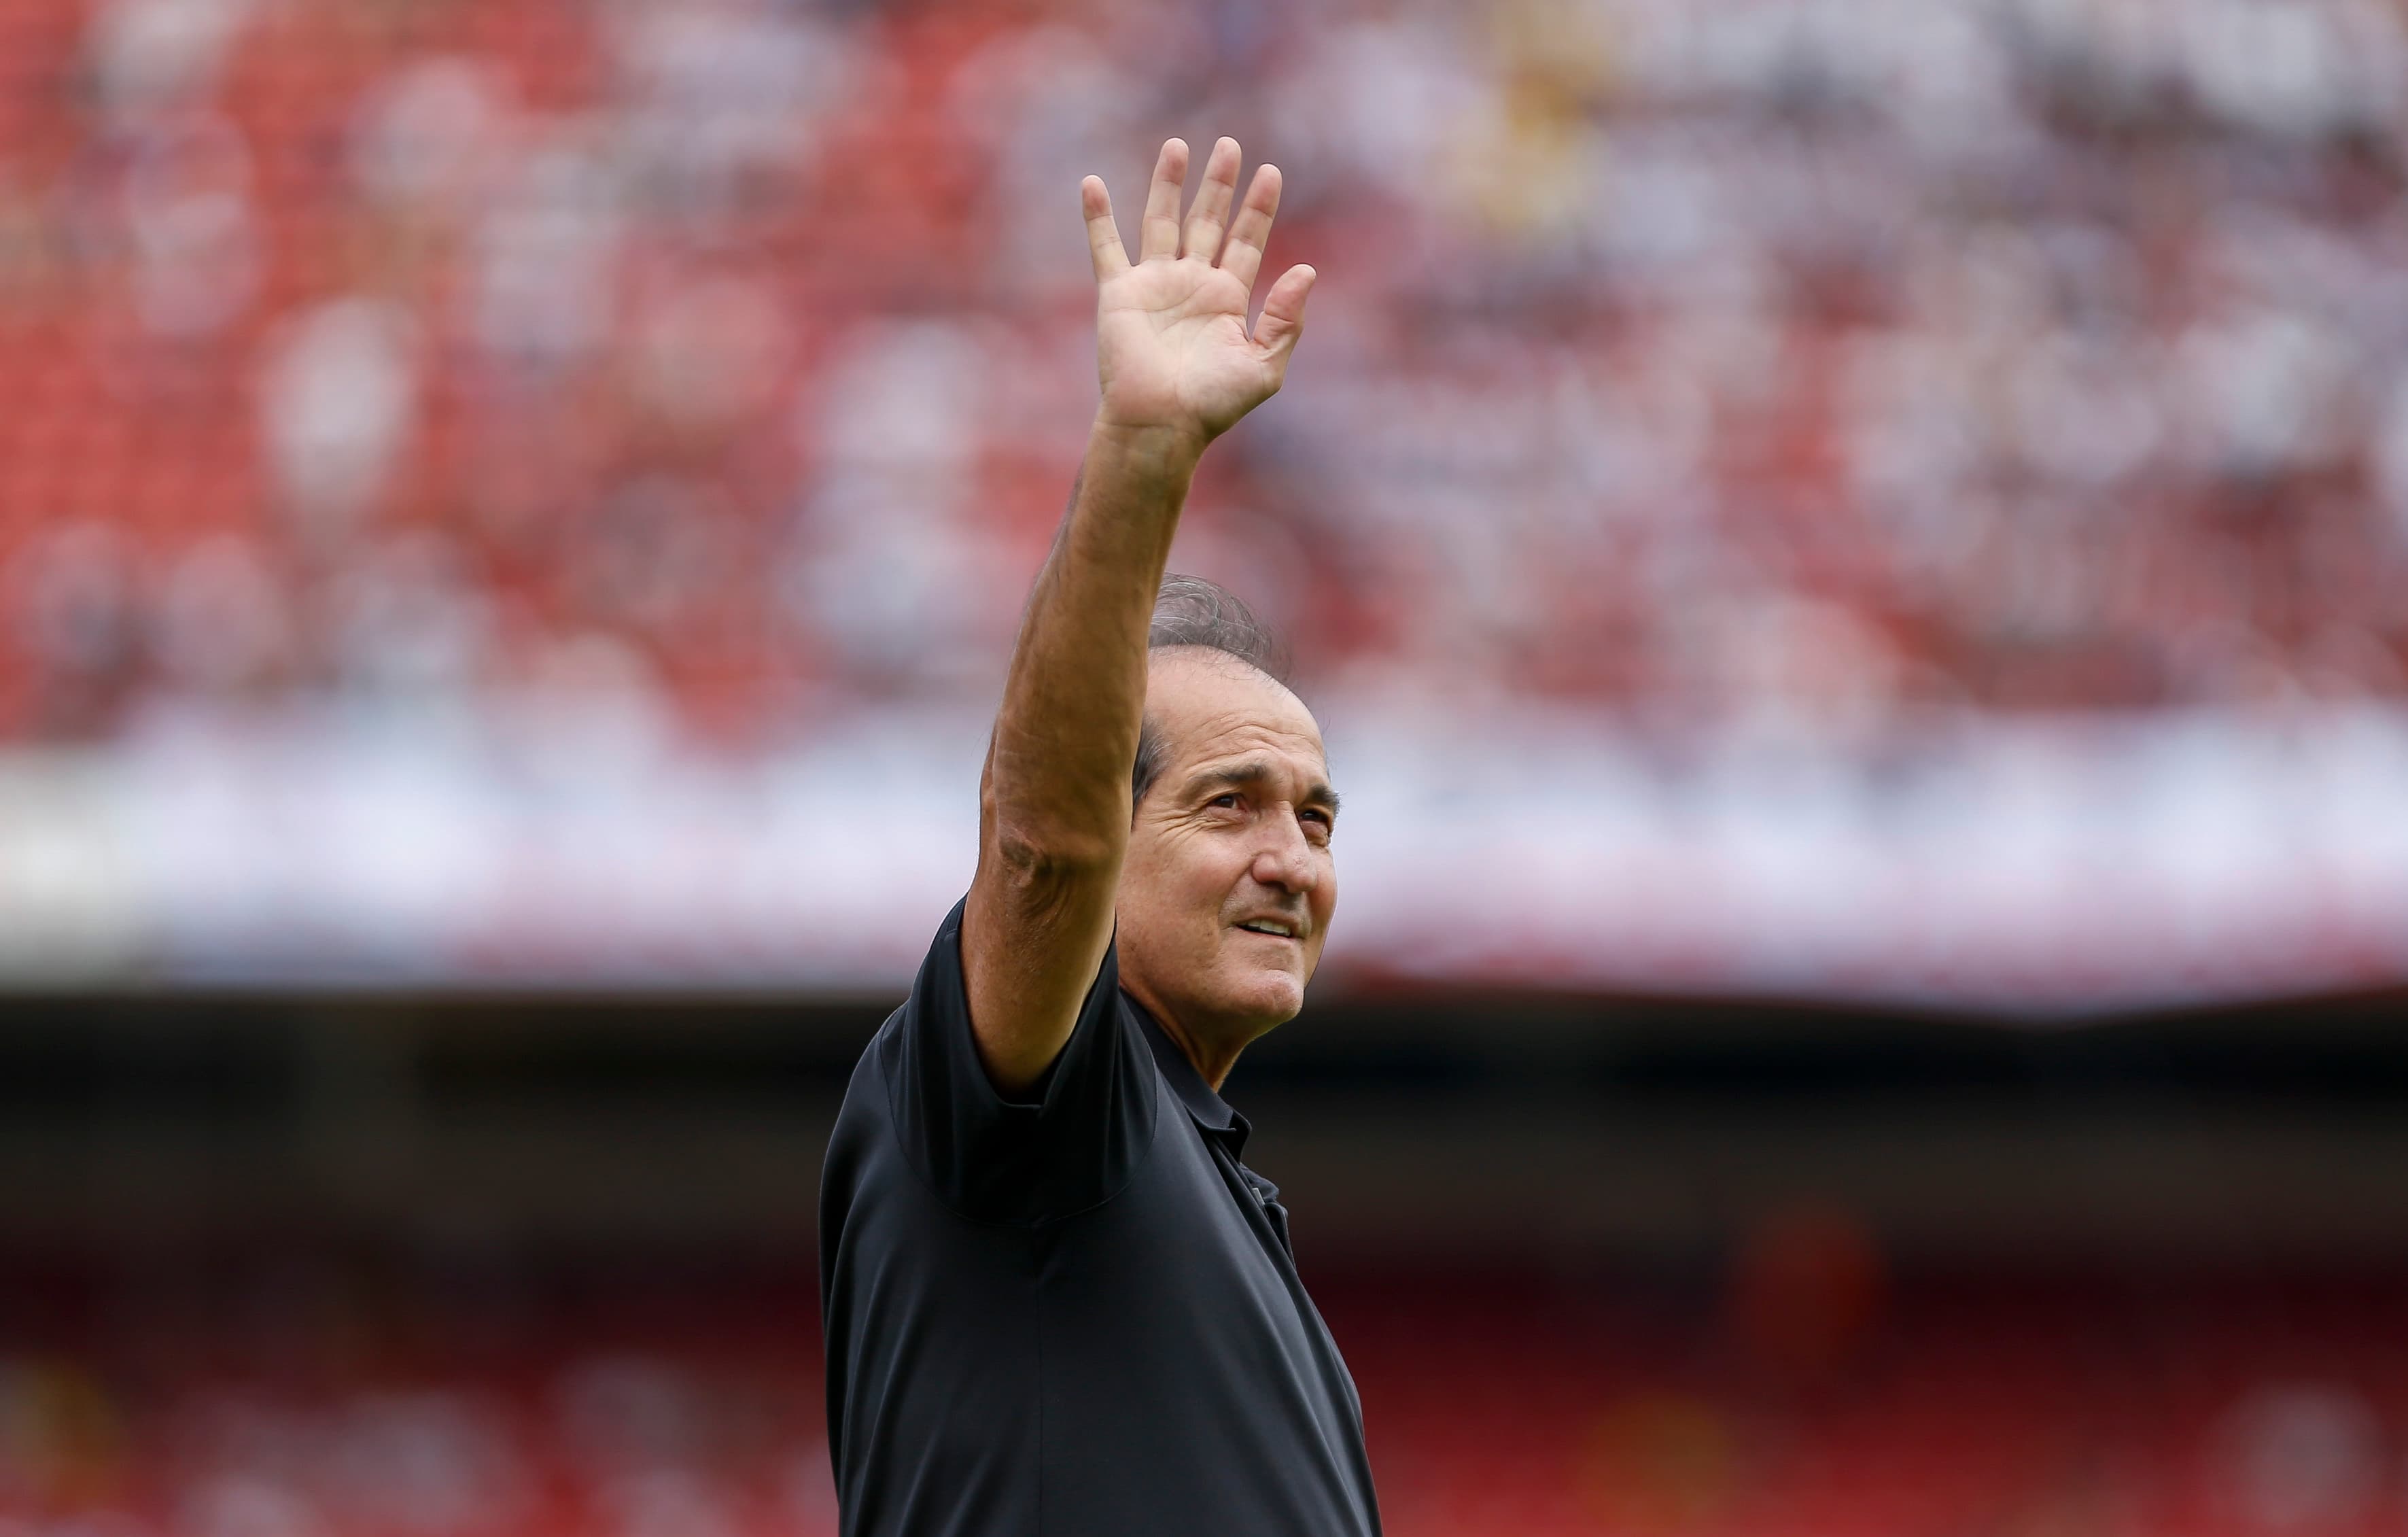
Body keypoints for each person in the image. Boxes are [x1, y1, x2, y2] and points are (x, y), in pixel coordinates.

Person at [817, 137, 1379, 1536]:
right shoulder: (1044, 1109)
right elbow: (1041, 848)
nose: (1291, 861)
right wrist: (1142, 454)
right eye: (1227, 803)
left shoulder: (1198, 1175)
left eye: (1312, 817)